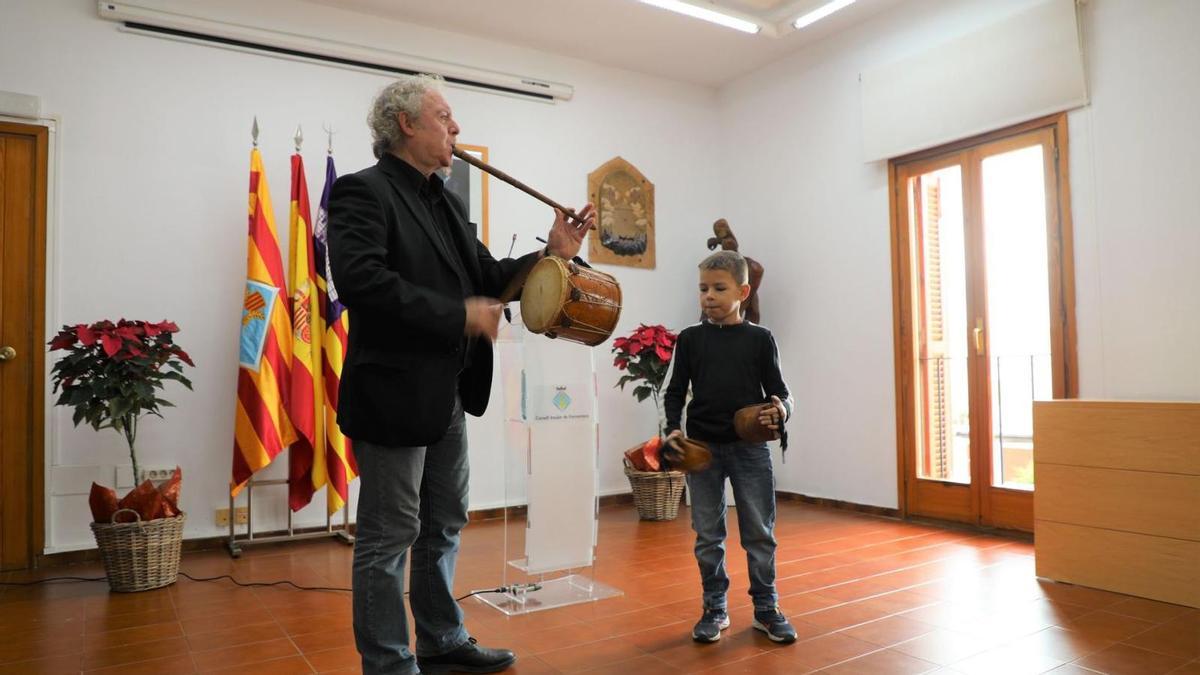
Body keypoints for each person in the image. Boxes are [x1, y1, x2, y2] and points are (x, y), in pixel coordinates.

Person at [328, 74, 594, 675]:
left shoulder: (445, 199)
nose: (457, 129)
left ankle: (442, 638)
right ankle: (390, 664)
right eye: (445, 116)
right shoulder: (361, 193)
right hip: (394, 392)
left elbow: (490, 277)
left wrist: (556, 254)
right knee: (389, 535)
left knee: (444, 520)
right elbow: (362, 284)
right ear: (406, 124)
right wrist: (458, 314)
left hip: (447, 390)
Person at [662, 250, 798, 645]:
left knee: (759, 533)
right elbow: (674, 393)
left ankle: (766, 609)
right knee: (707, 534)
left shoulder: (760, 339)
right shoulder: (689, 339)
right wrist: (673, 430)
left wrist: (781, 411)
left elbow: (781, 394)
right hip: (700, 449)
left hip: (749, 451)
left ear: (742, 291)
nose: (708, 296)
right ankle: (714, 607)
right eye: (703, 288)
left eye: (719, 288)